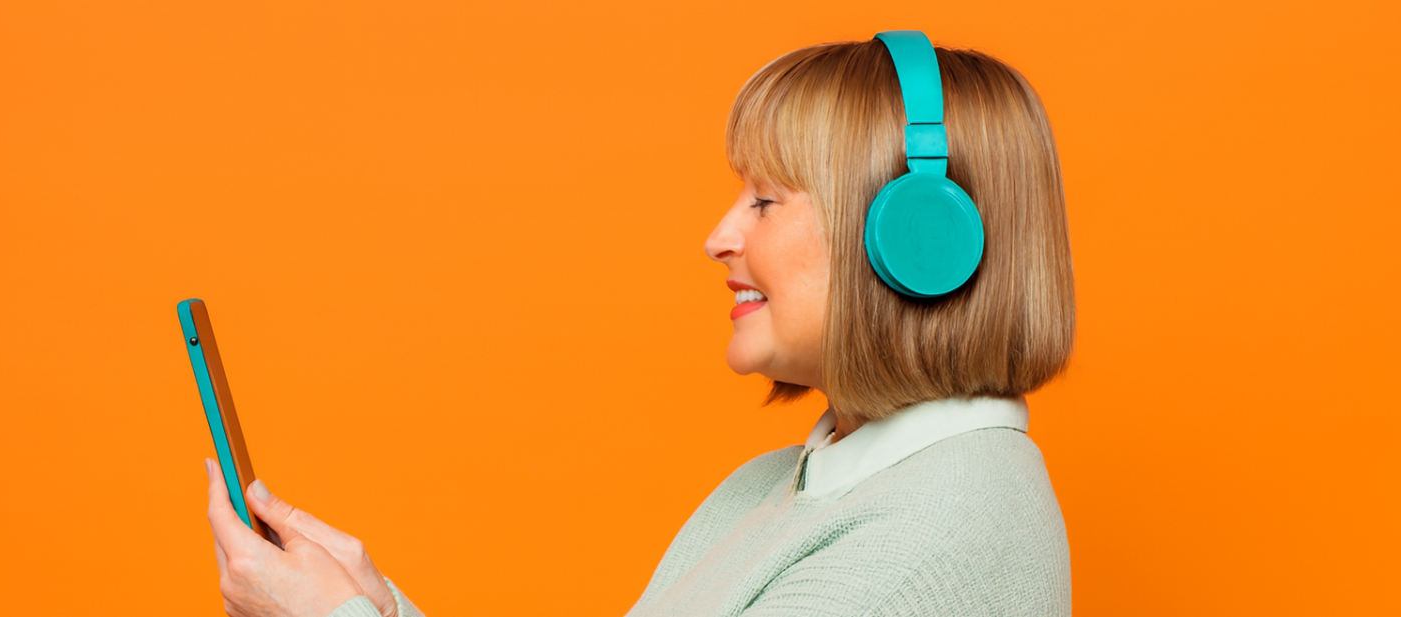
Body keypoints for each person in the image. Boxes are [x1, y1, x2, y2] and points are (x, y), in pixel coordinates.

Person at [203, 30, 1075, 617]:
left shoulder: (945, 528)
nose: (718, 236)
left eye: (766, 200)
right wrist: (372, 601)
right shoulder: (787, 484)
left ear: (920, 242)